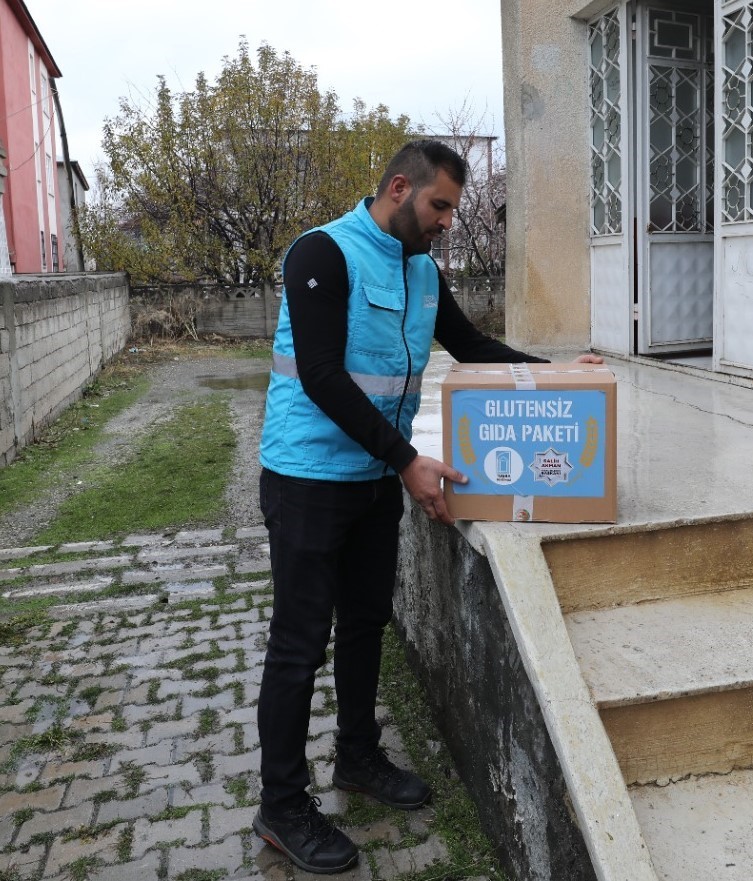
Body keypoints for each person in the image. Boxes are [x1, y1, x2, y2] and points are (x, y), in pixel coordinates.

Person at [252, 139, 602, 875]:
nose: (447, 221)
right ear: (400, 187)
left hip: (374, 478)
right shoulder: (321, 254)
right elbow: (319, 374)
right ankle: (281, 805)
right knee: (298, 643)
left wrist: (562, 370)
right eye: (440, 205)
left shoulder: (421, 270)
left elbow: (469, 343)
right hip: (309, 477)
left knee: (366, 622)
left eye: (453, 209)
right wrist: (410, 460)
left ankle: (356, 755)